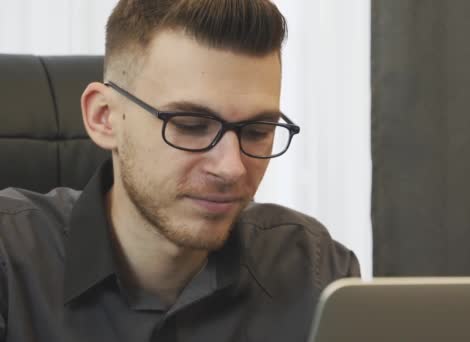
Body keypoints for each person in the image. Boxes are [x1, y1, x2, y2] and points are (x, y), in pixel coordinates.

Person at [0, 0, 360, 341]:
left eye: (257, 132)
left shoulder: (316, 271)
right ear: (104, 118)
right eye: (190, 125)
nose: (232, 168)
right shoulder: (10, 262)